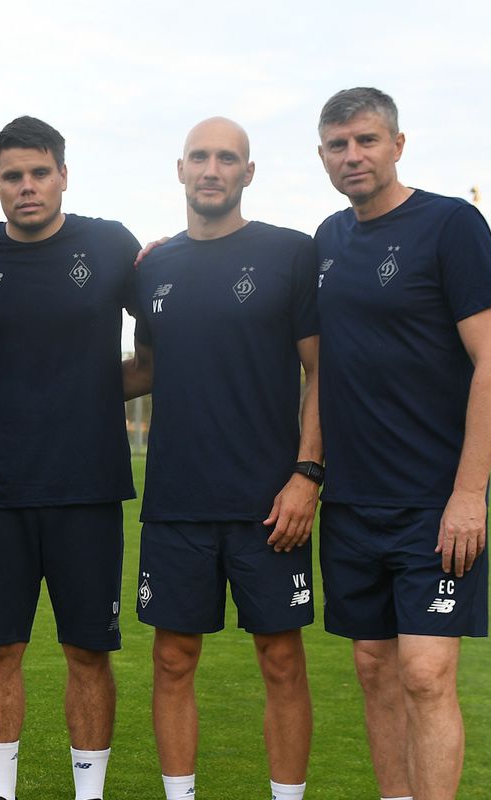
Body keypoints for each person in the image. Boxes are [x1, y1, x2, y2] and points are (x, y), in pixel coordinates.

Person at [314, 87, 491, 800]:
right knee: (373, 666)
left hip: (435, 502)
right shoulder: (328, 240)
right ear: (322, 156)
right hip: (351, 501)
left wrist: (468, 494)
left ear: (398, 145)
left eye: (366, 140)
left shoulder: (451, 225)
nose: (353, 155)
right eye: (338, 145)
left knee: (426, 673)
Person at [0, 116, 141, 800]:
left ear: (63, 174)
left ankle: (90, 793)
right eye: (12, 177)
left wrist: (91, 386)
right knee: (1, 647)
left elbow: (163, 343)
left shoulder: (111, 246)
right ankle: (0, 791)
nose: (26, 187)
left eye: (39, 173)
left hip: (88, 487)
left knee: (88, 650)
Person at [125, 117, 321, 800]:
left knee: (281, 661)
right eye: (200, 157)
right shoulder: (152, 269)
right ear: (180, 170)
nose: (212, 169)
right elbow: (144, 368)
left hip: (270, 504)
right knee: (173, 660)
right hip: (177, 501)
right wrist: (38, 382)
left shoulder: (291, 255)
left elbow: (320, 372)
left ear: (248, 173)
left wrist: (307, 474)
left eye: (227, 158)